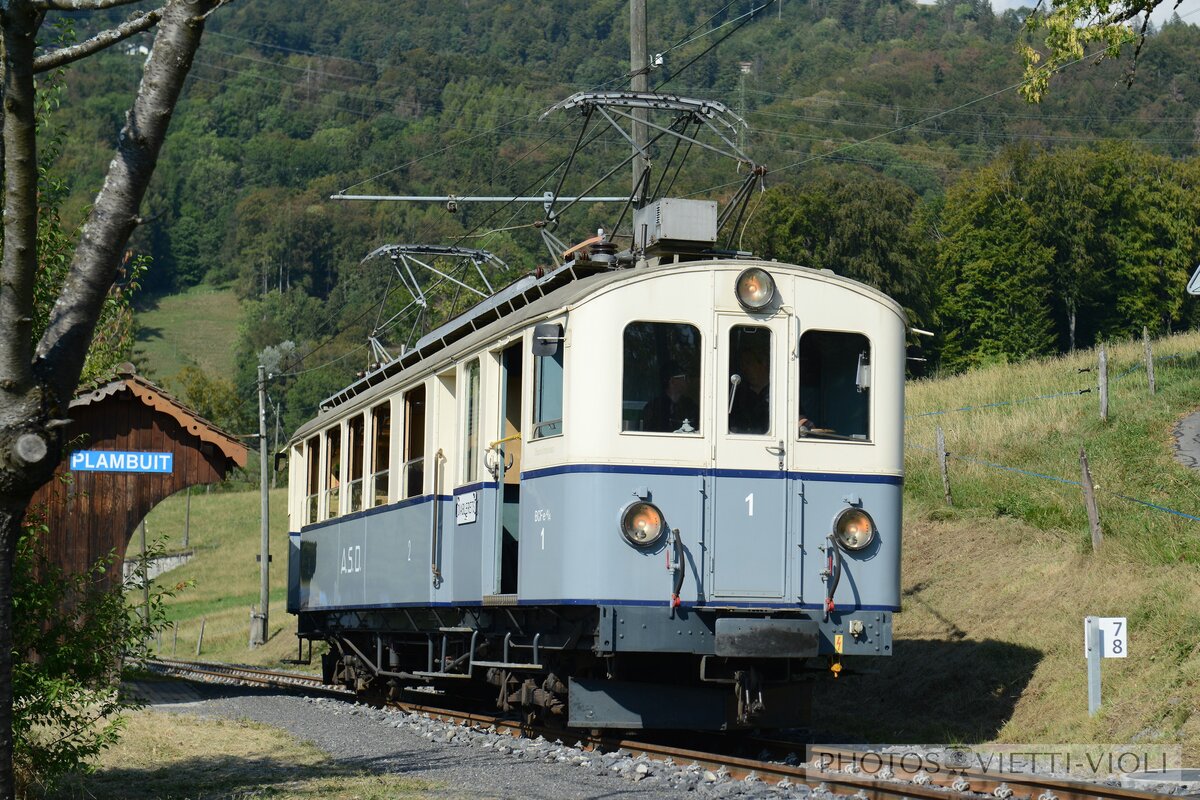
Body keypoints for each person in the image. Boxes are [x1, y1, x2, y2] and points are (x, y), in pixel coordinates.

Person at [729, 346, 770, 434]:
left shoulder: (778, 392)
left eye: (749, 363)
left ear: (763, 363)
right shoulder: (738, 395)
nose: (745, 369)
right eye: (742, 365)